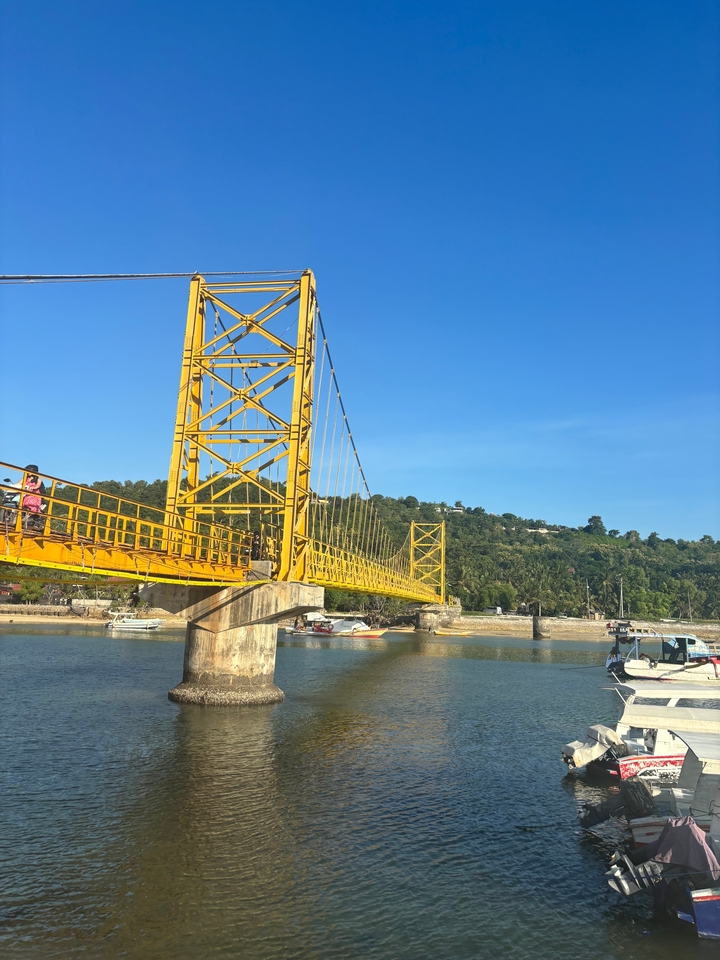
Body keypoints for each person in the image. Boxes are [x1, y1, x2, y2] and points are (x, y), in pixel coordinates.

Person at [22, 465, 46, 532]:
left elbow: (38, 485)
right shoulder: (25, 478)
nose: (27, 472)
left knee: (31, 502)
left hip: (35, 495)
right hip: (26, 494)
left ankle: (30, 516)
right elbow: (19, 483)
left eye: (28, 471)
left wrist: (33, 488)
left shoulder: (38, 479)